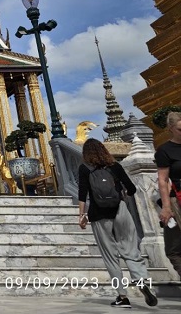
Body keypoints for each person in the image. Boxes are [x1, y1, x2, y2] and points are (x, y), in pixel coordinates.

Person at [78, 138, 158, 308]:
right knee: (130, 249)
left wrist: (81, 215)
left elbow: (82, 193)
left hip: (98, 214)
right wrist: (121, 197)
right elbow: (132, 188)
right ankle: (141, 280)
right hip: (120, 210)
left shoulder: (85, 168)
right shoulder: (115, 166)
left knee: (110, 256)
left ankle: (122, 296)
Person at [157, 110, 181, 278]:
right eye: (180, 129)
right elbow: (163, 180)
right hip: (177, 199)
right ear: (171, 128)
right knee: (173, 249)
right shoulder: (165, 150)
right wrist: (166, 207)